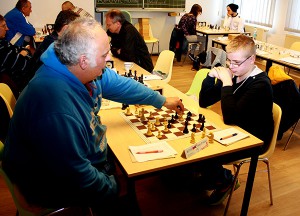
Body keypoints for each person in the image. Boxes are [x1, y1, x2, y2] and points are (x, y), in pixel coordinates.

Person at [2, 17, 184, 214]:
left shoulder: (76, 68)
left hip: (76, 162)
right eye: (104, 55)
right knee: (129, 187)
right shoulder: (56, 107)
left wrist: (161, 100)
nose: (109, 60)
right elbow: (77, 176)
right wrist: (116, 185)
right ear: (83, 61)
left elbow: (122, 85)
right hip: (47, 182)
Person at [198, 34, 273, 205]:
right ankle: (211, 177)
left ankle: (225, 181)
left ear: (252, 59)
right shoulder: (236, 73)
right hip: (236, 129)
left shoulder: (260, 84)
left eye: (236, 62)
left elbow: (230, 117)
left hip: (254, 139)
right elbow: (205, 101)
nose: (231, 67)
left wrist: (226, 83)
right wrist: (210, 77)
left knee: (203, 150)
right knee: (195, 142)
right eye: (229, 62)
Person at [0, 14, 32, 98]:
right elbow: (22, 64)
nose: (7, 28)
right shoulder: (1, 49)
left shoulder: (3, 42)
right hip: (14, 89)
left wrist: (24, 52)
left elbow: (20, 49)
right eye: (3, 26)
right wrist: (21, 54)